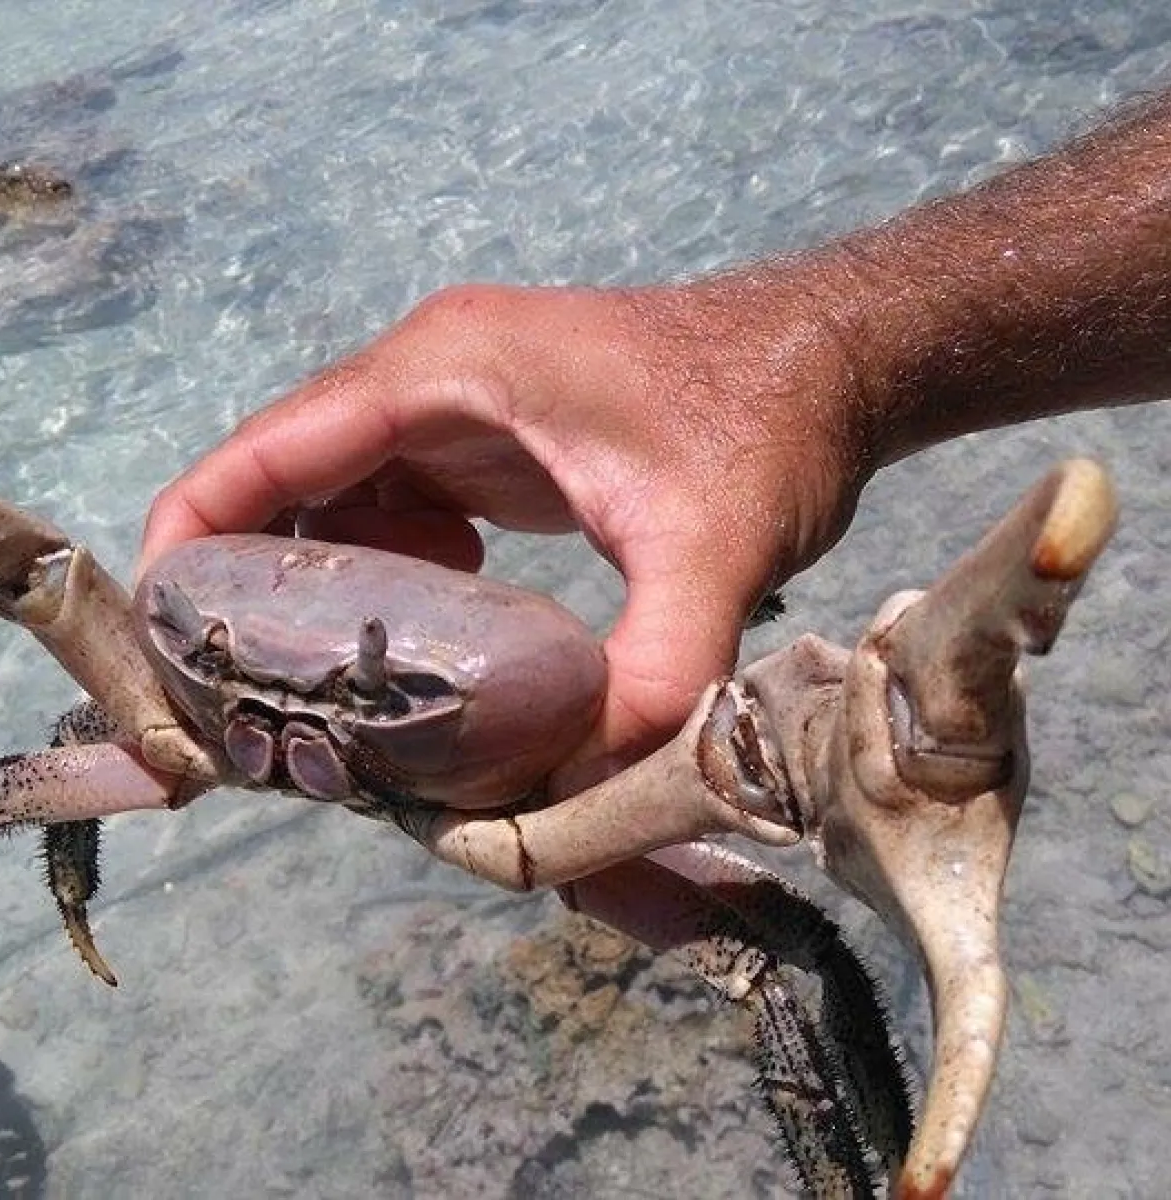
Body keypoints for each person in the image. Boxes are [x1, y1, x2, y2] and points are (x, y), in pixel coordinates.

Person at [139, 90, 1171, 786]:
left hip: (523, 770)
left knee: (773, 946)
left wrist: (841, 360)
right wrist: (848, 349)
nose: (284, 729)